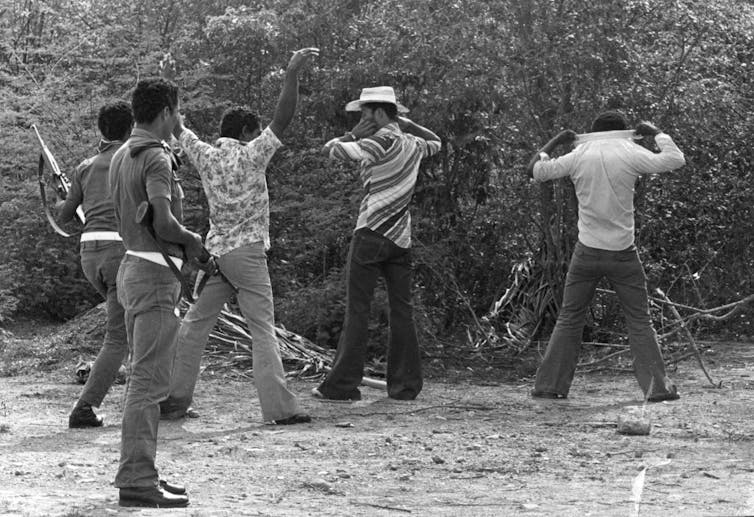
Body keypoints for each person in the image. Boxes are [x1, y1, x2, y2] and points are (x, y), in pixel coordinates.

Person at [160, 47, 319, 425]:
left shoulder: (206, 156)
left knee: (195, 324)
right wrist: (291, 75)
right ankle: (280, 409)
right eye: (255, 130)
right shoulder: (252, 155)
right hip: (247, 255)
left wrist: (170, 84)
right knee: (262, 329)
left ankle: (174, 399)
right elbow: (283, 119)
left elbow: (179, 127)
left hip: (216, 256)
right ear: (248, 133)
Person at [527, 111, 686, 402]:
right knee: (639, 320)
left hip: (586, 252)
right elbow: (676, 159)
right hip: (623, 253)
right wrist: (657, 133)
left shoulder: (580, 153)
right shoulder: (629, 151)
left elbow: (535, 171)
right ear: (624, 131)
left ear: (593, 131)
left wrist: (556, 141)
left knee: (569, 318)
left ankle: (549, 386)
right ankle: (658, 389)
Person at [109, 77, 207, 508]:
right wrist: (194, 241)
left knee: (144, 379)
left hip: (133, 267)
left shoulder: (119, 155)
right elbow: (165, 223)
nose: (177, 121)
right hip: (153, 273)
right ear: (167, 111)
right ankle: (137, 479)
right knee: (148, 383)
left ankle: (142, 471)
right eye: (176, 114)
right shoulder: (156, 158)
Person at [313, 86, 441, 401]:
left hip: (370, 232)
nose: (362, 119)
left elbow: (331, 150)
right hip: (400, 238)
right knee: (402, 311)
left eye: (365, 114)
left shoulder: (379, 141)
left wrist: (351, 134)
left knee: (358, 309)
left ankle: (342, 386)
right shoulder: (413, 143)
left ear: (380, 113)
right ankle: (405, 386)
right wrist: (409, 125)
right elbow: (437, 142)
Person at [58, 102, 132, 429]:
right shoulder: (133, 158)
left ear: (102, 129)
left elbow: (64, 214)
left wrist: (62, 194)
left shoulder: (86, 167)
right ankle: (85, 408)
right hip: (120, 252)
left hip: (90, 254)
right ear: (131, 128)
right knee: (118, 338)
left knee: (129, 325)